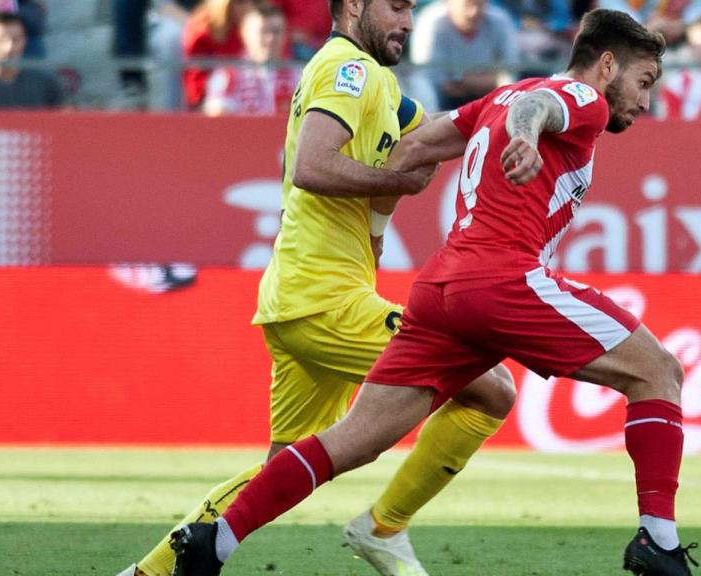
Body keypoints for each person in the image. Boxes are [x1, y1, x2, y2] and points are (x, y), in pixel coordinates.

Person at [169, 9, 698, 576]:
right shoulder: (581, 97)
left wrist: (376, 226)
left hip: (441, 289)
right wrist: (524, 136)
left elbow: (413, 147)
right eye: (643, 82)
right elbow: (540, 109)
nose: (645, 101)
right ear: (607, 65)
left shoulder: (499, 97)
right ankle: (658, 540)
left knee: (354, 440)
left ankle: (216, 539)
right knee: (658, 371)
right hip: (503, 280)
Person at [114, 0, 514, 575]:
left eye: (411, 9)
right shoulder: (346, 69)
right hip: (324, 299)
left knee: (281, 471)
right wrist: (396, 179)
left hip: (300, 296)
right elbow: (312, 165)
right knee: (492, 388)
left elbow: (433, 132)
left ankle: (146, 573)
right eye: (396, 7)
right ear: (353, 7)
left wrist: (517, 108)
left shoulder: (378, 84)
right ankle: (384, 527)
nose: (407, 22)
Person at [410, 0, 519, 109]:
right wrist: (489, 80)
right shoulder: (431, 22)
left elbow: (509, 76)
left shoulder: (501, 21)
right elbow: (431, 80)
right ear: (448, 3)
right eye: (467, 5)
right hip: (442, 104)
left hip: (490, 102)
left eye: (480, 4)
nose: (474, 12)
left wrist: (457, 80)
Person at [203, 3, 300, 116]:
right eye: (263, 31)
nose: (270, 38)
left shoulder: (299, 75)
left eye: (276, 31)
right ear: (244, 33)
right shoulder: (228, 75)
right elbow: (216, 117)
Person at [0, 10, 61, 108]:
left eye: (16, 39)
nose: (9, 47)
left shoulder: (45, 82)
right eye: (1, 40)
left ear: (25, 41)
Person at [181, 0, 252, 109]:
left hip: (247, 98)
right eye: (240, 2)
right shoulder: (201, 30)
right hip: (212, 103)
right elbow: (195, 80)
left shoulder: (253, 28)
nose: (248, 6)